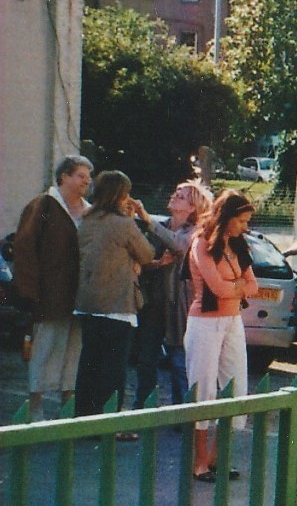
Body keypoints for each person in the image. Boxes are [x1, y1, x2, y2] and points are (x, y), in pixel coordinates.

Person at [73, 171, 179, 422]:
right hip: (116, 304)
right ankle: (109, 422)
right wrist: (133, 220)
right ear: (120, 195)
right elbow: (147, 252)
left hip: (87, 302)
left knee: (89, 362)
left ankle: (82, 417)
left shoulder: (87, 220)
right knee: (113, 368)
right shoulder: (123, 223)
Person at [185, 190, 258, 482]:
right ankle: (199, 462)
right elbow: (217, 288)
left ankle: (215, 458)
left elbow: (254, 285)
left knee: (236, 385)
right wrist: (238, 284)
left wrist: (236, 285)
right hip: (205, 322)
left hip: (232, 322)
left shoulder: (237, 245)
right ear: (226, 217)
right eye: (241, 221)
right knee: (203, 388)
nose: (245, 227)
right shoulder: (202, 243)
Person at [13, 155, 93, 419]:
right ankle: (35, 407)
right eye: (81, 175)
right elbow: (24, 249)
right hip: (49, 294)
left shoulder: (90, 212)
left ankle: (66, 407)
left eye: (88, 176)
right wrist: (29, 292)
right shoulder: (43, 206)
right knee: (44, 350)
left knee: (73, 352)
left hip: (80, 296)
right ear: (64, 177)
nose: (87, 181)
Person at [135, 180, 212, 408]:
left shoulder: (196, 232)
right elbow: (143, 260)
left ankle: (183, 411)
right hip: (154, 301)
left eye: (182, 195)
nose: (174, 196)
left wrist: (147, 219)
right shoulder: (161, 226)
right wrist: (157, 263)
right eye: (175, 192)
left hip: (180, 304)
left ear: (193, 207)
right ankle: (143, 408)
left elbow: (180, 245)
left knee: (180, 360)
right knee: (146, 359)